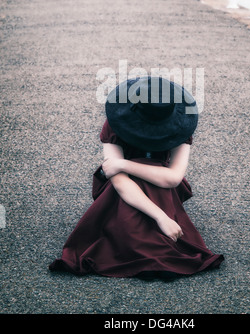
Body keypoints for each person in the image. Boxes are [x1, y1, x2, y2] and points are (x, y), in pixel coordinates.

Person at [49, 76, 224, 279]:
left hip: (161, 184)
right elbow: (120, 181)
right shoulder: (115, 123)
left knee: (152, 174)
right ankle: (143, 247)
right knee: (132, 224)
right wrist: (161, 217)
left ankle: (150, 249)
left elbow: (173, 178)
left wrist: (123, 164)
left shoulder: (180, 126)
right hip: (121, 191)